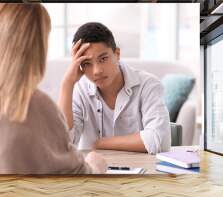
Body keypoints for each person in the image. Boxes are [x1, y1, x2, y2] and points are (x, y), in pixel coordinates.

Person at [0, 4, 107, 174]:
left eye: (103, 59)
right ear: (38, 45)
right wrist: (96, 165)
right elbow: (76, 170)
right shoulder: (34, 104)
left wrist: (68, 83)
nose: (97, 70)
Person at [58, 22, 171, 154]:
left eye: (103, 59)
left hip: (138, 170)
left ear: (117, 54)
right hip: (93, 171)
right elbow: (62, 143)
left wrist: (102, 143)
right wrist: (66, 84)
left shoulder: (148, 85)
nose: (97, 71)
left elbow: (160, 141)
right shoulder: (79, 89)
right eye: (87, 63)